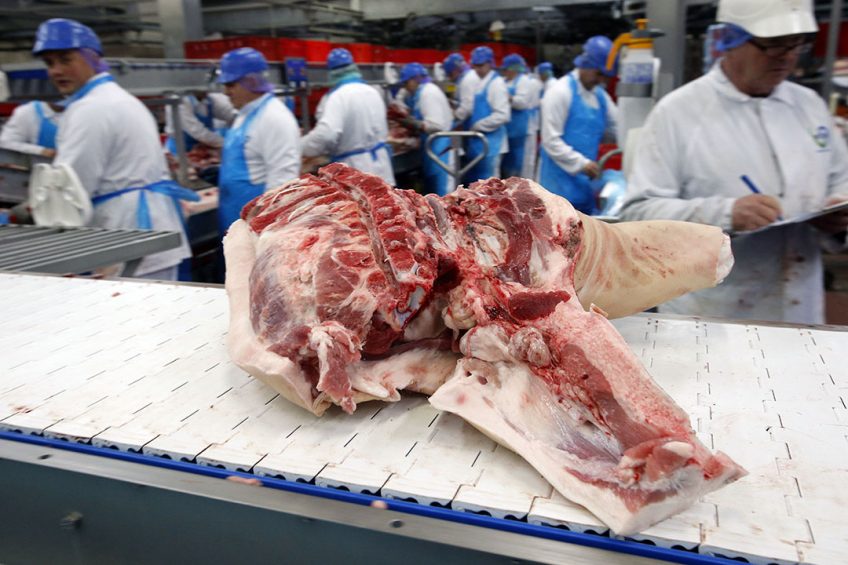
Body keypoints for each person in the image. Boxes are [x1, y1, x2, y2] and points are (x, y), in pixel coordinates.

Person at [619, 0, 848, 325]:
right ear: (730, 40)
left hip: (801, 307)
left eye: (795, 43)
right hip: (714, 314)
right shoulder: (679, 113)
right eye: (772, 45)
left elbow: (840, 180)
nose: (787, 55)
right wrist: (725, 214)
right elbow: (638, 213)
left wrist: (836, 216)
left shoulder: (809, 106)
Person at [34, 18, 195, 281]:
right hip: (147, 229)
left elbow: (73, 188)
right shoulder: (117, 98)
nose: (56, 71)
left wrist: (44, 214)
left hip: (128, 233)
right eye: (50, 63)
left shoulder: (90, 109)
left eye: (65, 59)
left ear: (92, 58)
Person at [217, 47, 301, 235]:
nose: (225, 92)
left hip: (258, 227)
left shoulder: (274, 117)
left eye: (231, 84)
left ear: (252, 82)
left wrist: (266, 230)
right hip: (236, 220)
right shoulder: (244, 114)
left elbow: (283, 181)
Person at [537, 36, 618, 214]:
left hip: (584, 185)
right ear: (586, 65)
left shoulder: (601, 97)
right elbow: (551, 140)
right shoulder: (560, 91)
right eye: (599, 74)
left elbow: (618, 127)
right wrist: (581, 164)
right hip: (557, 186)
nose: (601, 80)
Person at [301, 48, 395, 185]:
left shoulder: (337, 97)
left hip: (355, 172)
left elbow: (326, 135)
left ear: (331, 72)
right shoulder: (372, 91)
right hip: (382, 166)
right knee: (387, 203)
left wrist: (300, 147)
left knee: (363, 205)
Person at [398, 62, 455, 195]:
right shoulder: (423, 91)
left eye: (406, 84)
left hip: (442, 147)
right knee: (435, 193)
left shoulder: (428, 93)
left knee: (444, 195)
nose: (406, 88)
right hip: (435, 146)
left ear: (413, 80)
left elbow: (436, 124)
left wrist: (415, 124)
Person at [462, 46, 510, 183]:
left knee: (491, 187)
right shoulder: (480, 82)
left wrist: (479, 125)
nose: (477, 70)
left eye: (481, 66)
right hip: (480, 143)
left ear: (490, 63)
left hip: (492, 144)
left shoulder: (496, 84)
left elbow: (503, 115)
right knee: (479, 187)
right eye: (475, 66)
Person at [501, 53, 541, 179]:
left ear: (514, 69)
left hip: (524, 127)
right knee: (511, 161)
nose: (505, 72)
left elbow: (522, 103)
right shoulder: (506, 81)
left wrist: (507, 98)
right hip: (511, 128)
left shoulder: (525, 81)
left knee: (525, 162)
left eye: (507, 69)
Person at [164, 90, 236, 153]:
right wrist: (226, 143)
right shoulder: (179, 101)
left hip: (202, 149)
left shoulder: (210, 99)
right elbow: (197, 131)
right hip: (179, 150)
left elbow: (229, 113)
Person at [442, 52, 480, 128]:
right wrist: (454, 103)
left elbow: (467, 107)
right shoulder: (469, 76)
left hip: (475, 123)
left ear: (455, 71)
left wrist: (453, 115)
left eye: (450, 74)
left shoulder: (467, 80)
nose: (450, 78)